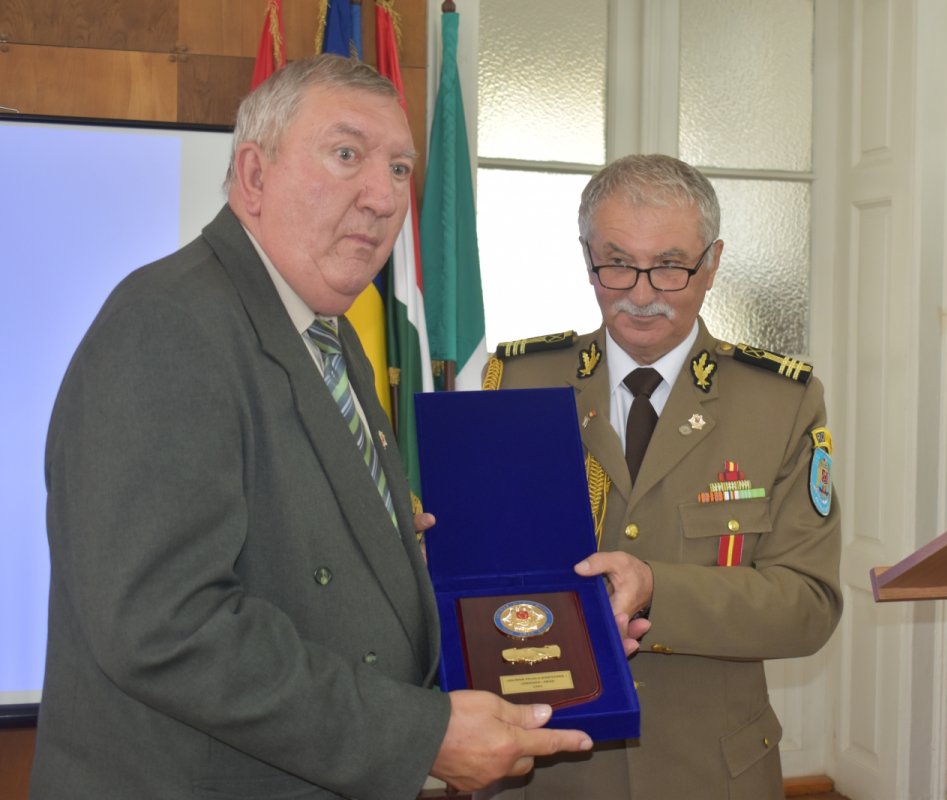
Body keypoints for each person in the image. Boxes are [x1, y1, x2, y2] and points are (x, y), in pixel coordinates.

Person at [31, 54, 592, 800]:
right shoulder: (169, 324)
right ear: (253, 176)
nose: (383, 197)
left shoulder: (328, 334)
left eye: (399, 168)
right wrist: (417, 736)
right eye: (347, 154)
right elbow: (166, 626)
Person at [481, 154, 843, 799]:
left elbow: (808, 606)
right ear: (587, 258)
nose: (642, 294)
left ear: (713, 263)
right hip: (550, 767)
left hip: (711, 772)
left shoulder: (780, 403)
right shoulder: (518, 383)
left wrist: (656, 591)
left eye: (671, 266)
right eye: (617, 263)